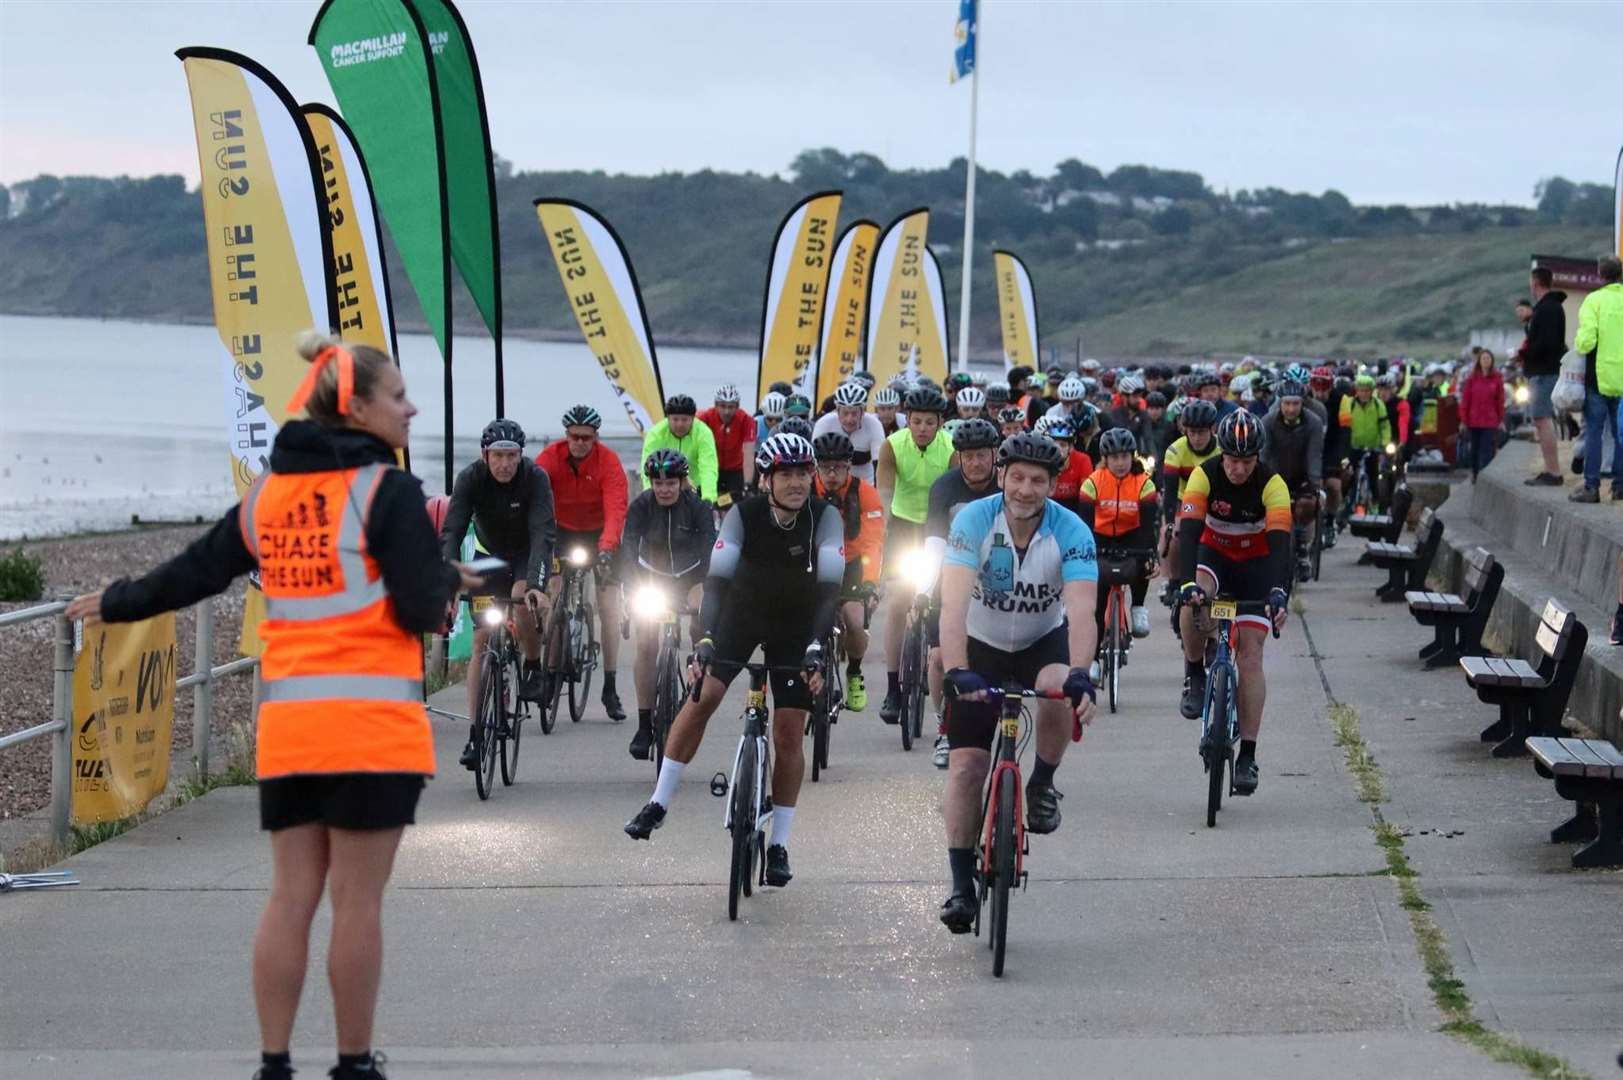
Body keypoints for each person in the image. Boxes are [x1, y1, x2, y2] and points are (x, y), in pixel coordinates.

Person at [67, 331, 477, 1080]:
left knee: (290, 897)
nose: (411, 408)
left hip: (289, 730)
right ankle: (353, 1066)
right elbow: (421, 608)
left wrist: (119, 601)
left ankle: (274, 1064)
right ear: (355, 408)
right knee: (356, 904)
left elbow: (196, 571)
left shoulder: (269, 496)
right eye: (397, 397)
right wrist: (448, 584)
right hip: (370, 729)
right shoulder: (386, 492)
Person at [623, 433, 844, 891]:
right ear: (767, 479)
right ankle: (659, 803)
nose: (798, 482)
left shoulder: (825, 518)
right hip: (741, 615)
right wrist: (704, 638)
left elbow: (829, 591)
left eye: (804, 473)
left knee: (787, 732)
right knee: (703, 695)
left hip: (796, 626)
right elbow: (718, 583)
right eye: (786, 474)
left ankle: (779, 843)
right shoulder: (742, 515)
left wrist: (818, 647)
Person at [935, 432, 1099, 933]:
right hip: (979, 646)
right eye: (1019, 478)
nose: (1026, 489)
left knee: (1057, 686)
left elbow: (1082, 609)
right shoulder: (973, 520)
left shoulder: (1071, 530)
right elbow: (953, 606)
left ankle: (1043, 782)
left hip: (1039, 643)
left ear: (1053, 484)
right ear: (1002, 475)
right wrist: (955, 670)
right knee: (966, 769)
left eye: (1039, 480)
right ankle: (961, 886)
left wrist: (1081, 675)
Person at [1175, 411, 1292, 796]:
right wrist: (1187, 583)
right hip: (1215, 557)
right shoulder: (1203, 475)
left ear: (1257, 457)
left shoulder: (1272, 484)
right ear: (1221, 454)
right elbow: (1188, 534)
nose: (1239, 469)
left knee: (1252, 658)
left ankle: (1248, 756)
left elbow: (1280, 547)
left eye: (1246, 461)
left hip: (1256, 567)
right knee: (1194, 602)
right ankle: (1194, 672)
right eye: (1232, 460)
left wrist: (1278, 591)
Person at [443, 417, 557, 762]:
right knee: (481, 641)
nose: (505, 464)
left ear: (521, 456)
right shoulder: (470, 479)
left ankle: (533, 665)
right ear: (484, 455)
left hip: (526, 554)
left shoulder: (535, 479)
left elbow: (543, 535)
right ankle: (476, 734)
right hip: (488, 555)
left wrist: (537, 585)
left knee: (524, 602)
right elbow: (451, 532)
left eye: (512, 456)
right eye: (498, 456)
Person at [917, 417, 1002, 767]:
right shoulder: (944, 488)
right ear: (960, 458)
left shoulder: (1005, 486)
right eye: (968, 456)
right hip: (952, 575)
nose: (976, 463)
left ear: (994, 454)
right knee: (938, 658)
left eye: (982, 455)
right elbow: (934, 543)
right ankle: (943, 725)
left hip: (996, 578)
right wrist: (923, 589)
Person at [537, 404, 630, 722]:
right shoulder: (550, 458)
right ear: (566, 436)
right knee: (554, 599)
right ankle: (550, 674)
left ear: (595, 438)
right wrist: (542, 544)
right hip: (561, 532)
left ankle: (610, 686)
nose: (579, 443)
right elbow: (537, 500)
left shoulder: (609, 462)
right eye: (574, 437)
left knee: (608, 608)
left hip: (599, 533)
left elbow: (616, 508)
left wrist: (606, 548)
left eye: (586, 438)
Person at [620, 450, 715, 760]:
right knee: (646, 643)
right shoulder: (640, 507)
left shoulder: (698, 507)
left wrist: (703, 586)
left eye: (670, 482)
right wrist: (632, 589)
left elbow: (709, 549)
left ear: (682, 481)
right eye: (658, 483)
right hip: (653, 579)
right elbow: (629, 552)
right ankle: (645, 723)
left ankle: (695, 667)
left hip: (690, 578)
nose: (664, 489)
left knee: (701, 617)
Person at [877, 387, 955, 723]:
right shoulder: (892, 446)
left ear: (941, 423)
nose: (922, 428)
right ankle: (893, 688)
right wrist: (881, 532)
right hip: (903, 527)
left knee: (943, 600)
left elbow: (956, 498)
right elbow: (883, 496)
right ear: (906, 420)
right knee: (897, 601)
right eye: (916, 421)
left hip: (939, 529)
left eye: (929, 422)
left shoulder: (951, 449)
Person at [812, 430, 885, 710]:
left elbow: (872, 544)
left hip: (852, 564)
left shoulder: (865, 493)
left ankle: (854, 671)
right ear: (816, 467)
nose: (832, 474)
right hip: (815, 561)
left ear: (849, 467)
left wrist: (870, 584)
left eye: (839, 467)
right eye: (826, 467)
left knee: (854, 620)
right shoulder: (805, 490)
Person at [1077, 427, 1159, 652]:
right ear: (1105, 459)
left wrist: (1151, 555)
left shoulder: (1145, 484)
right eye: (1114, 458)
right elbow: (1084, 526)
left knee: (1143, 558)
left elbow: (1148, 526)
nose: (1120, 463)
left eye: (1124, 457)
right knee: (1099, 600)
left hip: (1133, 535)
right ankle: (1093, 659)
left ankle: (1139, 607)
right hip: (1100, 536)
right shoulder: (1092, 483)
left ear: (1132, 457)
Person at [1261, 381, 1326, 581]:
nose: (1291, 409)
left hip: (1303, 476)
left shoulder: (1313, 422)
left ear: (1302, 404)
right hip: (1275, 474)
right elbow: (1263, 455)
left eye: (1295, 404)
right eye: (1287, 403)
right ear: (1280, 403)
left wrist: (1314, 484)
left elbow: (1314, 456)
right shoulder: (1268, 421)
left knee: (1306, 506)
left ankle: (1302, 547)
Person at [1572, 255, 1623, 502]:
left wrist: (1579, 341)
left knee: (1594, 432)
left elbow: (1586, 341)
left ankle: (1591, 487)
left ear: (1600, 275)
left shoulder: (1593, 301)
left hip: (1598, 378)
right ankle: (1621, 486)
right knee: (1620, 433)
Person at [1159, 399, 1220, 604]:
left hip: (1214, 500)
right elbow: (1169, 494)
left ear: (1212, 429)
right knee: (1175, 534)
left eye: (1201, 432)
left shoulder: (1223, 448)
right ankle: (1175, 582)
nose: (1196, 438)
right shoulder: (1175, 451)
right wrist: (1168, 523)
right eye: (1191, 432)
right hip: (1183, 500)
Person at [1523, 266, 1568, 486]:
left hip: (1543, 372)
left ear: (1536, 282)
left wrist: (1525, 354)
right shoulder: (1550, 307)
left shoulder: (1547, 309)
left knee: (1542, 419)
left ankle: (1554, 471)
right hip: (1543, 370)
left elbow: (1547, 343)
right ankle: (1551, 469)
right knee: (1541, 419)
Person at [643, 394, 719, 503]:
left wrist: (708, 498)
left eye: (684, 419)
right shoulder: (655, 434)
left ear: (693, 418)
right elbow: (647, 467)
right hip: (666, 487)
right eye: (675, 419)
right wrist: (649, 493)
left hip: (695, 488)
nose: (679, 424)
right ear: (668, 418)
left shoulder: (704, 433)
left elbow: (708, 467)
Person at [812, 381, 888, 485]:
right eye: (845, 413)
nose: (849, 419)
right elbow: (814, 463)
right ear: (837, 411)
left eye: (854, 413)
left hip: (865, 482)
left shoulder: (874, 425)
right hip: (832, 481)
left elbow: (880, 465)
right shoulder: (824, 424)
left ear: (863, 411)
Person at [1338, 374, 1393, 511]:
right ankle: (1343, 502)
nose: (1364, 393)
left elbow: (1384, 426)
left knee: (1374, 477)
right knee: (1347, 476)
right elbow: (1342, 426)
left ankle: (1375, 504)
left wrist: (1385, 442)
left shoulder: (1378, 404)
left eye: (1367, 390)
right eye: (1361, 390)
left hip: (1372, 448)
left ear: (1372, 391)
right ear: (1357, 390)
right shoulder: (1350, 404)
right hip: (1352, 447)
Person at [698, 384, 755, 508]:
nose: (727, 411)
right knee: (703, 501)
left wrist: (748, 483)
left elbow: (749, 453)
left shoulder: (746, 420)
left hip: (735, 470)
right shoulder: (705, 417)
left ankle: (722, 508)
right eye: (722, 406)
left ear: (737, 406)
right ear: (716, 405)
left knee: (739, 500)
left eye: (731, 407)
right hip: (713, 469)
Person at [1458, 349, 1506, 482]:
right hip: (1473, 420)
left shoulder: (1497, 378)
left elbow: (1500, 400)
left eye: (1488, 358)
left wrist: (1500, 419)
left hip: (1490, 420)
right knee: (1474, 449)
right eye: (1483, 358)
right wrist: (1463, 419)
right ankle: (1474, 473)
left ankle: (1484, 475)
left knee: (1487, 450)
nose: (1486, 361)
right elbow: (1465, 400)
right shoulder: (1472, 379)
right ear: (1479, 361)